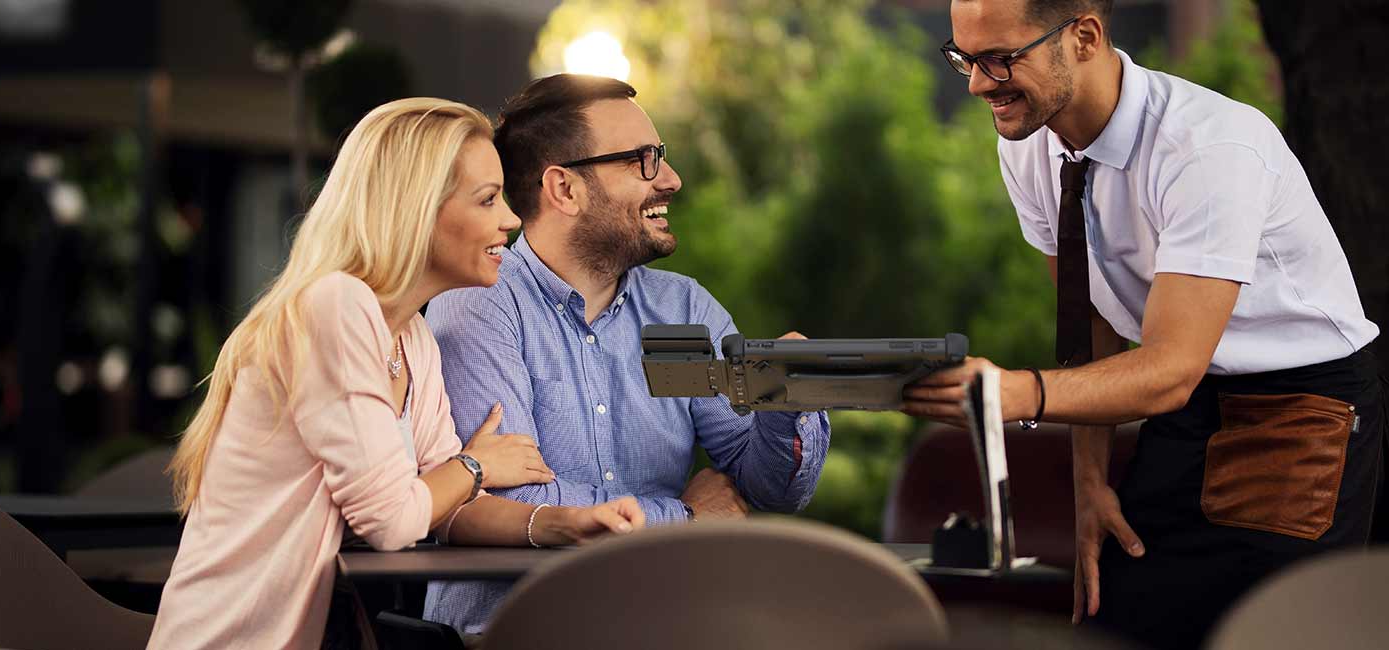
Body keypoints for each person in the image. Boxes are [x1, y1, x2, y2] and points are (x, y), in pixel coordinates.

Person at [906, 2, 1383, 648]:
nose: (978, 84)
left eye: (1001, 59)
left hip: (1297, 411)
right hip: (1180, 404)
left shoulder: (1209, 148)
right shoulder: (1027, 145)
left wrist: (1018, 394)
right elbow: (1091, 319)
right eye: (964, 57)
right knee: (1119, 621)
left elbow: (1171, 369)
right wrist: (1089, 481)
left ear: (1084, 37)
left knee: (1263, 628)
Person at [147, 98, 645, 650]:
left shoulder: (414, 340)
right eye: (487, 199)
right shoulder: (336, 307)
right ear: (415, 211)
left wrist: (564, 523)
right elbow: (392, 520)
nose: (510, 218)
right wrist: (477, 462)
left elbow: (444, 504)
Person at [421, 74, 832, 633]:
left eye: (660, 157)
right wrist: (684, 516)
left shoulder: (681, 310)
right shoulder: (480, 303)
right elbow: (521, 502)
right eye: (642, 161)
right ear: (564, 189)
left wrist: (786, 403)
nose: (670, 179)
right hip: (521, 633)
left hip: (664, 627)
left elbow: (766, 488)